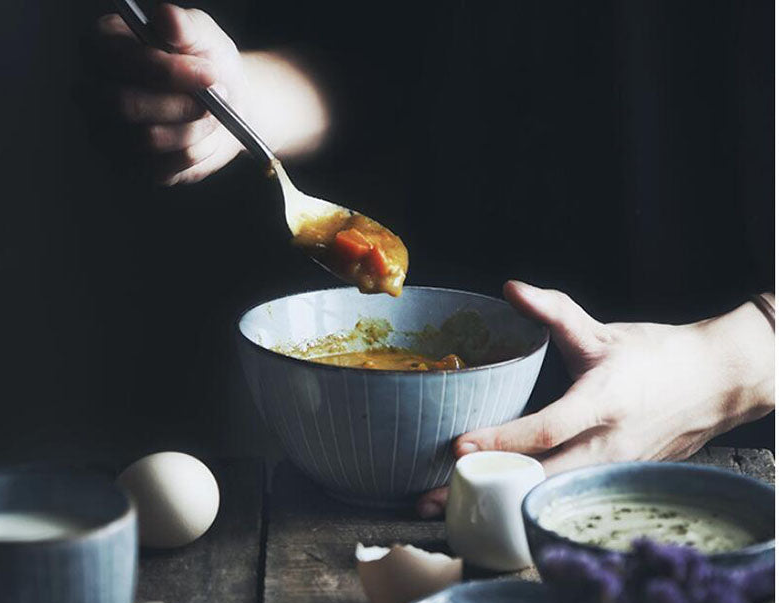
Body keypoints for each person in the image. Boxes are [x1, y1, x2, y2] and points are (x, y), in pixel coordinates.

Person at [88, 4, 775, 517]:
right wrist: (227, 101)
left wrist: (730, 368)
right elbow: (381, 64)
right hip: (416, 464)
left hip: (743, 455)